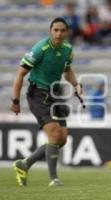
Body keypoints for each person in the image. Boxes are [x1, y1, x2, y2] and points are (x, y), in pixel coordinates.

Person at [10, 17, 82, 187]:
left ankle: (24, 164)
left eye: (62, 30)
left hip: (55, 94)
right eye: (55, 30)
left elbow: (67, 71)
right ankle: (54, 178)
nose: (59, 33)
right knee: (55, 135)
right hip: (38, 94)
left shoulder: (68, 50)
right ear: (50, 31)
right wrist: (15, 100)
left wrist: (76, 84)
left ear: (67, 32)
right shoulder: (39, 49)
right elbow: (20, 74)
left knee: (62, 139)